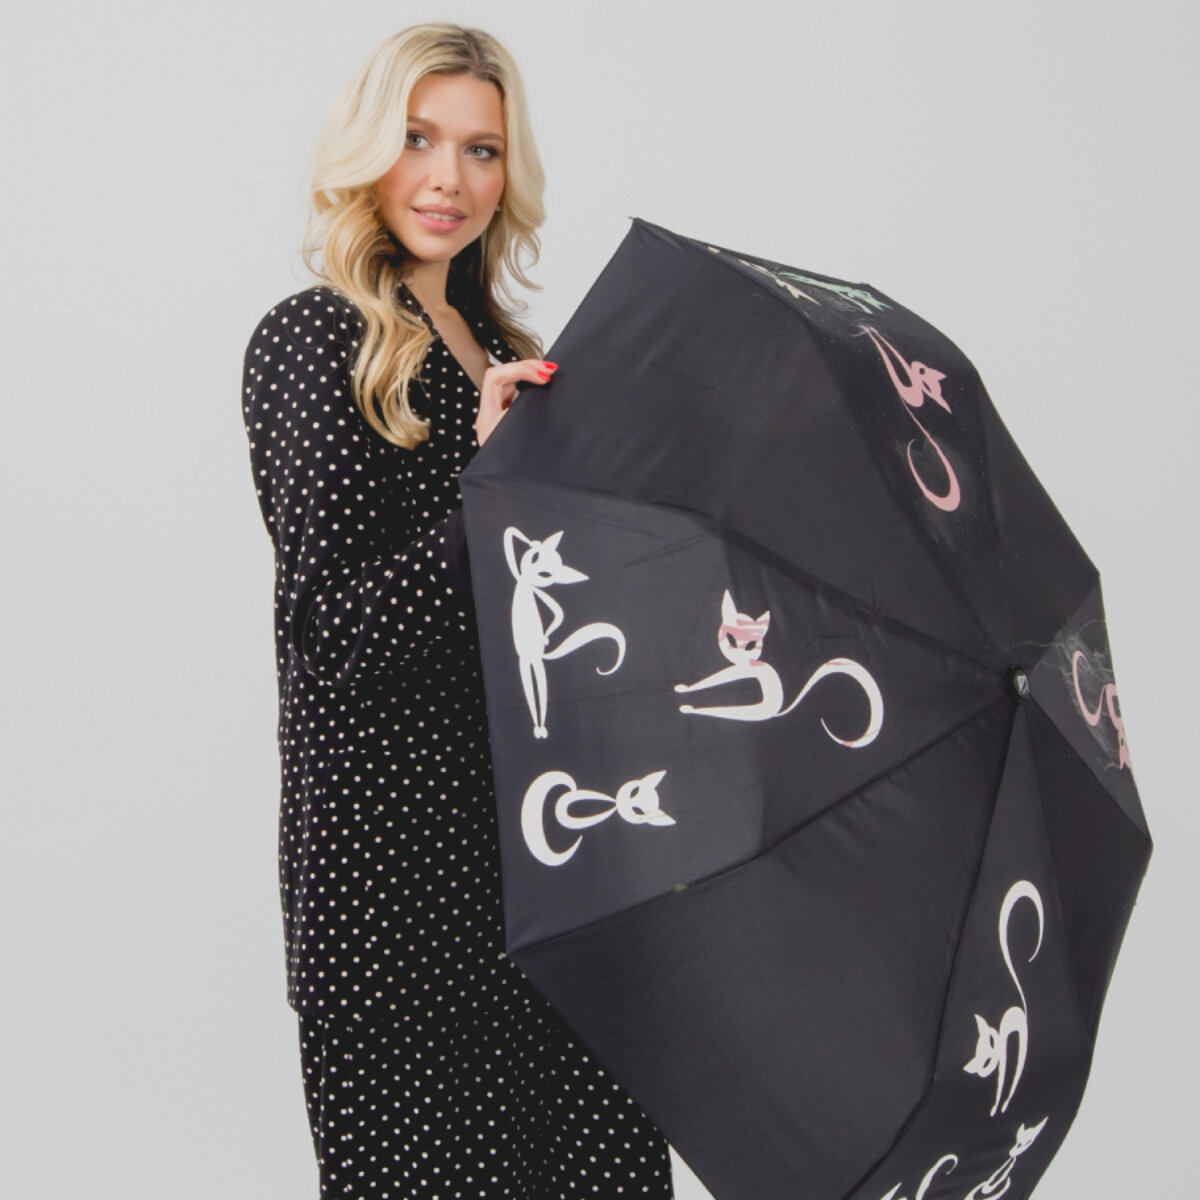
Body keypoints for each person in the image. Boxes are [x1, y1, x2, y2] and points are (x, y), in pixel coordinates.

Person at [239, 22, 676, 1199]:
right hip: (396, 893)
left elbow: (546, 617)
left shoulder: (511, 355)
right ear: (366, 151)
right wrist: (494, 490)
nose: (449, 179)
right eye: (418, 139)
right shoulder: (320, 340)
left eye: (482, 150)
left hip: (549, 860)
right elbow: (335, 634)